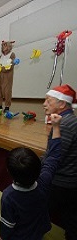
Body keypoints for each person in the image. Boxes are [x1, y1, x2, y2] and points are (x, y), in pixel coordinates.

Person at [0, 113, 62, 240]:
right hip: (38, 234)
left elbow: (7, 226)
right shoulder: (44, 181)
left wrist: (1, 237)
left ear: (9, 172)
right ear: (38, 167)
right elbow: (54, 156)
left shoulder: (8, 196)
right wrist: (56, 127)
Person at [43, 84, 77, 240]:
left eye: (48, 101)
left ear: (62, 104)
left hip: (61, 183)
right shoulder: (71, 120)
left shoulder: (64, 125)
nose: (44, 104)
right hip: (70, 182)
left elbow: (55, 157)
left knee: (39, 213)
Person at [0, 41, 16, 113]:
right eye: (3, 46)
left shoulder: (12, 54)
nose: (4, 47)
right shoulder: (1, 56)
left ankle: (7, 106)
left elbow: (11, 65)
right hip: (0, 75)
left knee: (7, 91)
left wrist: (2, 68)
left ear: (9, 46)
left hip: (7, 75)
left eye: (5, 45)